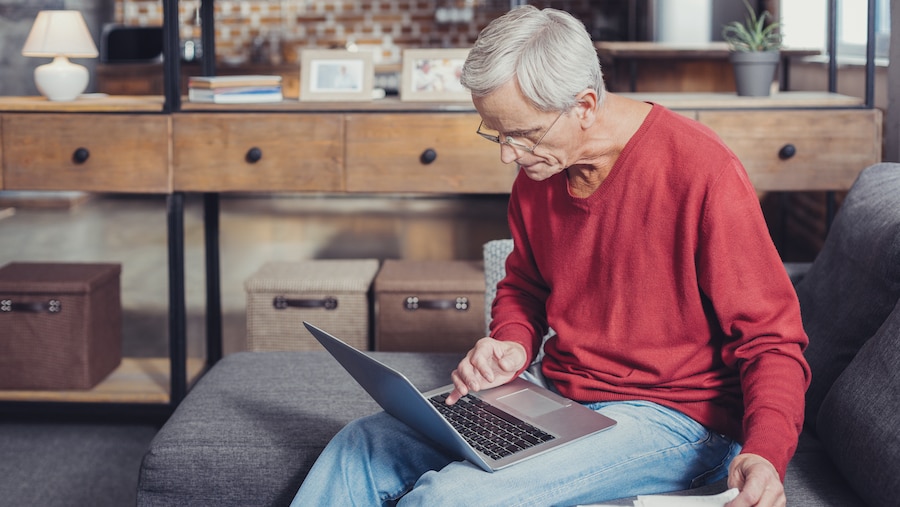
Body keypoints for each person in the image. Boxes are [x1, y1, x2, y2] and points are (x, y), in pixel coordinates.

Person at [291, 6, 810, 506]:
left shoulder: (702, 171)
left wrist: (765, 452)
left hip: (676, 419)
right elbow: (525, 285)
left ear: (584, 106)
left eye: (522, 133)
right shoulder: (539, 172)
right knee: (360, 445)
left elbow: (773, 341)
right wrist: (513, 345)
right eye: (495, 132)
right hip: (556, 393)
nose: (506, 154)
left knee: (452, 499)